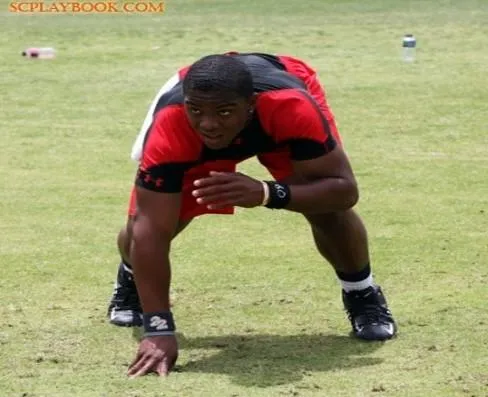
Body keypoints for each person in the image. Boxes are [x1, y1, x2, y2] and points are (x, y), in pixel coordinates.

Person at [107, 52, 397, 377]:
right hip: (190, 113)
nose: (209, 123)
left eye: (224, 112)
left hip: (278, 111)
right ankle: (131, 278)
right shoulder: (174, 121)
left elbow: (344, 190)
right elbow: (150, 229)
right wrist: (159, 329)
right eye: (197, 111)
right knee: (148, 226)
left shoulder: (291, 107)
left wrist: (267, 193)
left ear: (251, 104)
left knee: (325, 206)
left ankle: (362, 294)